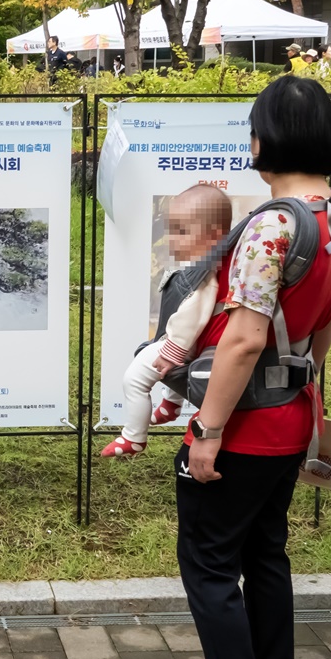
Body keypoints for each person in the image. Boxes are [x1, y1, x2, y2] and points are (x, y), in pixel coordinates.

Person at [157, 74, 331, 659]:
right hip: (294, 413)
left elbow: (242, 339)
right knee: (265, 551)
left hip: (245, 425)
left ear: (266, 138)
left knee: (209, 563)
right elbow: (320, 326)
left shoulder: (273, 224)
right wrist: (311, 400)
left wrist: (206, 433)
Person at [101, 184, 232, 458]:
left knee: (134, 379)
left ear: (213, 236)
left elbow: (192, 315)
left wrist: (173, 350)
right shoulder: (203, 265)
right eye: (171, 229)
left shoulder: (203, 274)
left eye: (182, 232)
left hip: (181, 344)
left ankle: (133, 437)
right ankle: (171, 405)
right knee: (169, 371)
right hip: (184, 343)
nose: (172, 239)